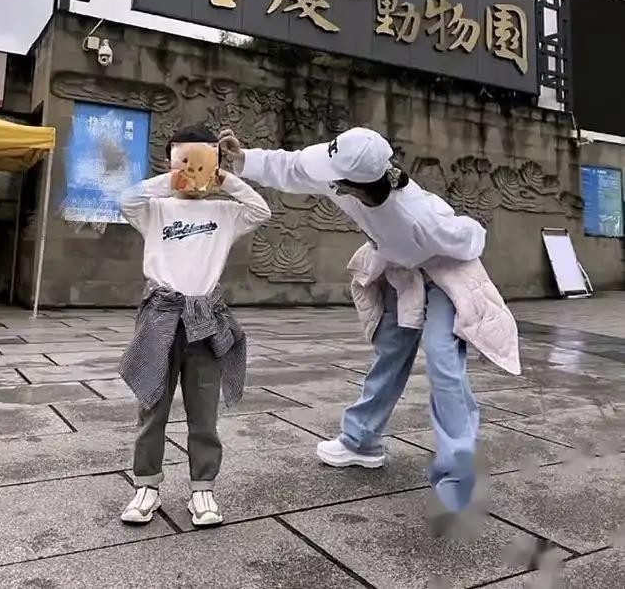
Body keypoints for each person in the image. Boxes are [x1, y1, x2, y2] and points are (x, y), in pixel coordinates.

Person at [219, 126, 520, 514]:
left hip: (447, 270)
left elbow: (471, 239)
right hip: (402, 269)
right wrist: (243, 159)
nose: (330, 183)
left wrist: (450, 239)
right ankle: (361, 441)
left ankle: (459, 470)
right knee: (391, 350)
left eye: (338, 182)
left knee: (443, 359)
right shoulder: (336, 166)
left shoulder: (418, 217)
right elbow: (292, 167)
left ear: (358, 187)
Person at [118, 125, 271, 528]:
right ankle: (146, 486)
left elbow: (261, 211)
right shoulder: (155, 209)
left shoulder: (224, 212)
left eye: (201, 160)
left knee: (204, 412)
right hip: (160, 314)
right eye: (182, 158)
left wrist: (223, 177)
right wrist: (173, 178)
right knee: (152, 406)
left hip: (205, 316)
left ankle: (203, 489)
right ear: (169, 160)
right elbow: (126, 200)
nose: (192, 168)